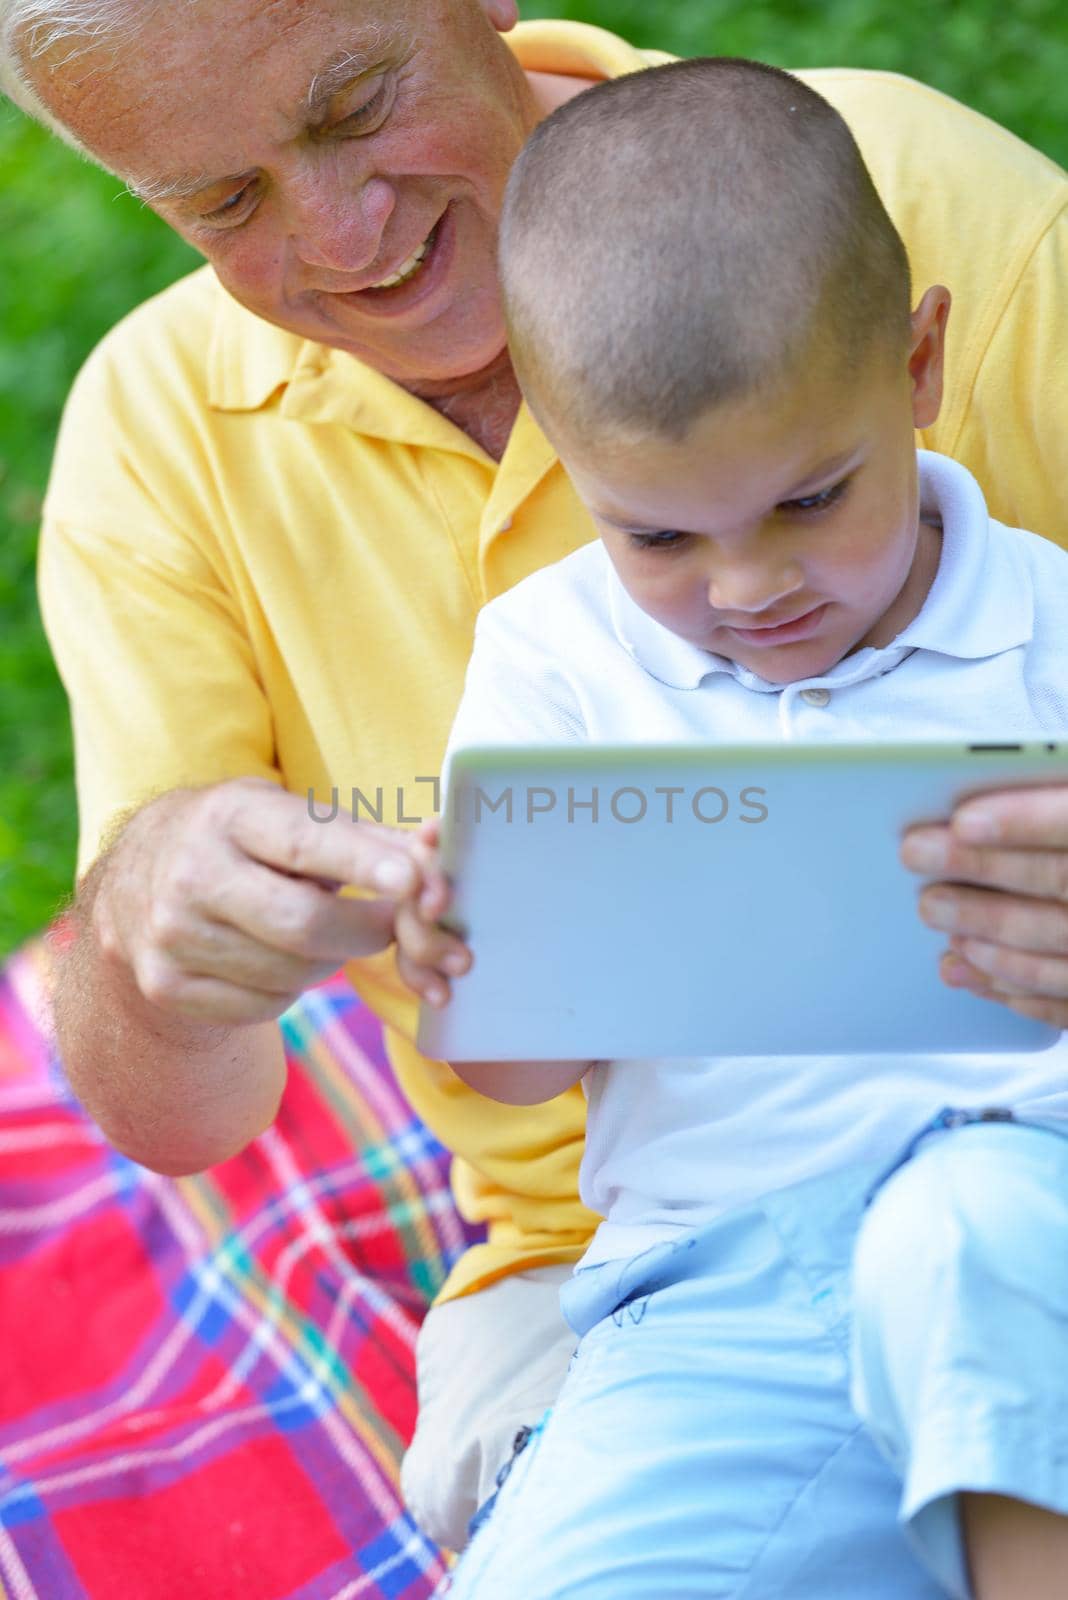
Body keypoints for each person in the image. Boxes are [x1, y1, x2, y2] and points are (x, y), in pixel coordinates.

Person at [2, 0, 1067, 1555]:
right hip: (625, 1258)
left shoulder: (904, 197)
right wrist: (161, 951)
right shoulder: (163, 438)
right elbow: (185, 1114)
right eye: (224, 202)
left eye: (356, 105)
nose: (349, 236)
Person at [392, 59, 1068, 1599]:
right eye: (661, 535)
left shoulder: (1048, 629)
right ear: (572, 470)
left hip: (1026, 1217)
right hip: (713, 1286)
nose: (753, 584)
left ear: (917, 372)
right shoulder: (552, 663)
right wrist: (470, 968)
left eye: (814, 500)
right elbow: (508, 1063)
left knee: (967, 1239)